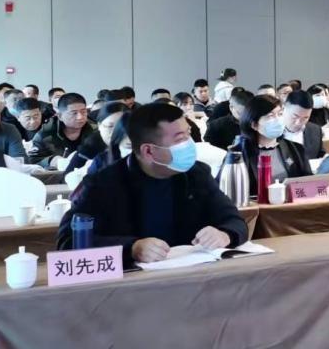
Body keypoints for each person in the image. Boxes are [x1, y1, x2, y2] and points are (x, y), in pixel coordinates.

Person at [55, 102, 246, 266]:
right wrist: (131, 248)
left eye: (188, 134)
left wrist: (225, 234)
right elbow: (68, 242)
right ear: (148, 151)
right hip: (127, 285)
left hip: (192, 276)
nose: (189, 144)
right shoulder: (102, 184)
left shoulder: (197, 174)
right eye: (180, 139)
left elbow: (235, 220)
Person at [240, 94, 310, 197]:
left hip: (292, 205)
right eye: (270, 116)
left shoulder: (296, 148)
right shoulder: (239, 154)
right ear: (254, 125)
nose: (278, 120)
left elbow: (309, 182)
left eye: (280, 114)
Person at [30, 92, 93, 167]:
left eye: (83, 112)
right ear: (60, 116)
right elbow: (32, 160)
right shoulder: (45, 134)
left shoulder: (96, 130)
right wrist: (51, 160)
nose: (80, 117)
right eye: (74, 113)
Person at [281, 89, 324, 160]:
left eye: (305, 118)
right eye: (295, 116)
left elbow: (320, 156)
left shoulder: (315, 130)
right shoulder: (271, 132)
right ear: (283, 109)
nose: (298, 123)